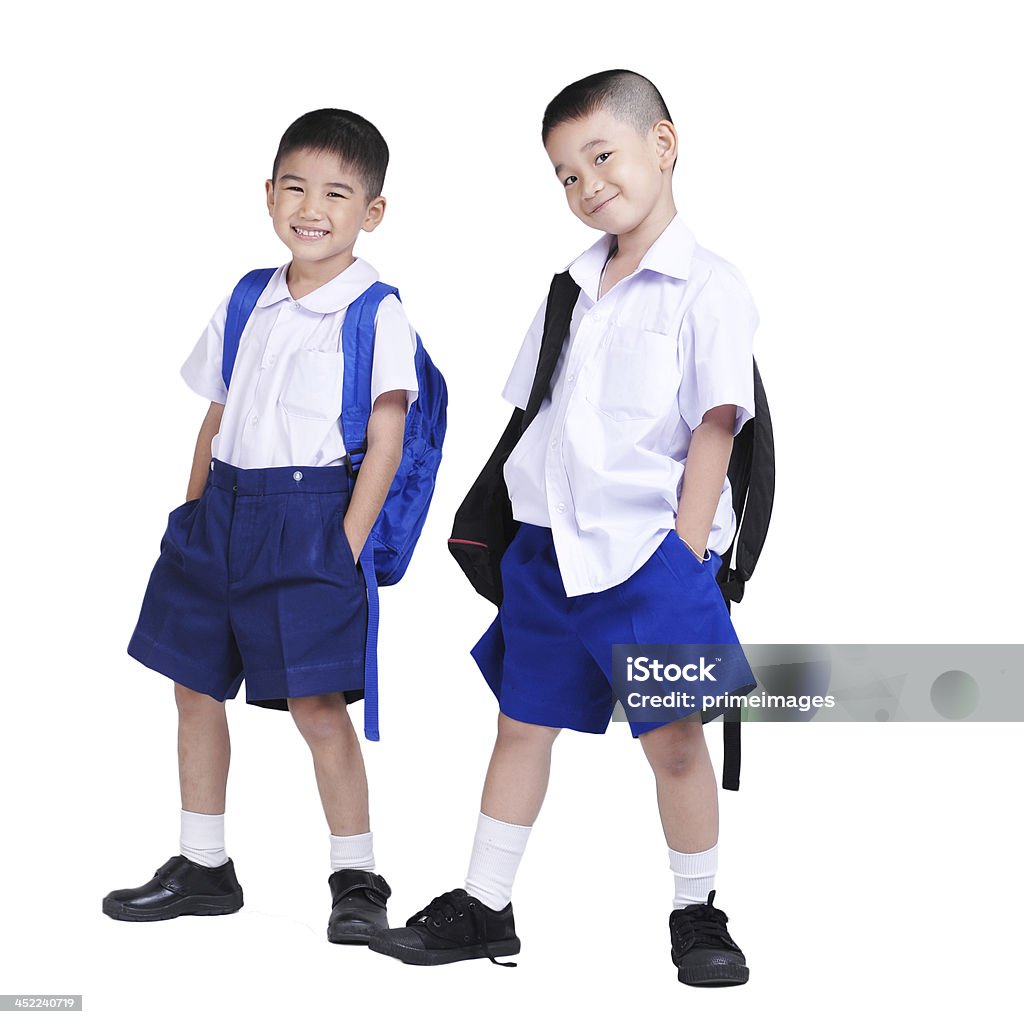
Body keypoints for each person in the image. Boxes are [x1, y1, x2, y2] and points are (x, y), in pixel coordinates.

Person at [369, 70, 759, 986]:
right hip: (549, 552)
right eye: (564, 175)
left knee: (673, 742)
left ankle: (697, 911)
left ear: (663, 145)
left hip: (647, 557)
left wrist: (683, 553)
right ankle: (484, 904)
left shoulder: (707, 286)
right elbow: (535, 411)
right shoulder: (571, 288)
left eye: (601, 156)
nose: (586, 186)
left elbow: (715, 425)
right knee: (521, 724)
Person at [102, 108, 418, 945]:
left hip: (312, 519)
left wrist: (344, 547)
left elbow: (386, 439)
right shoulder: (249, 296)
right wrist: (193, 511)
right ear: (269, 193)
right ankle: (204, 863)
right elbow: (216, 413)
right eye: (296, 187)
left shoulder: (376, 311)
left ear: (372, 212)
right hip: (222, 514)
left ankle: (356, 874)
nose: (311, 207)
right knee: (194, 683)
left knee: (317, 704)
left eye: (337, 194)